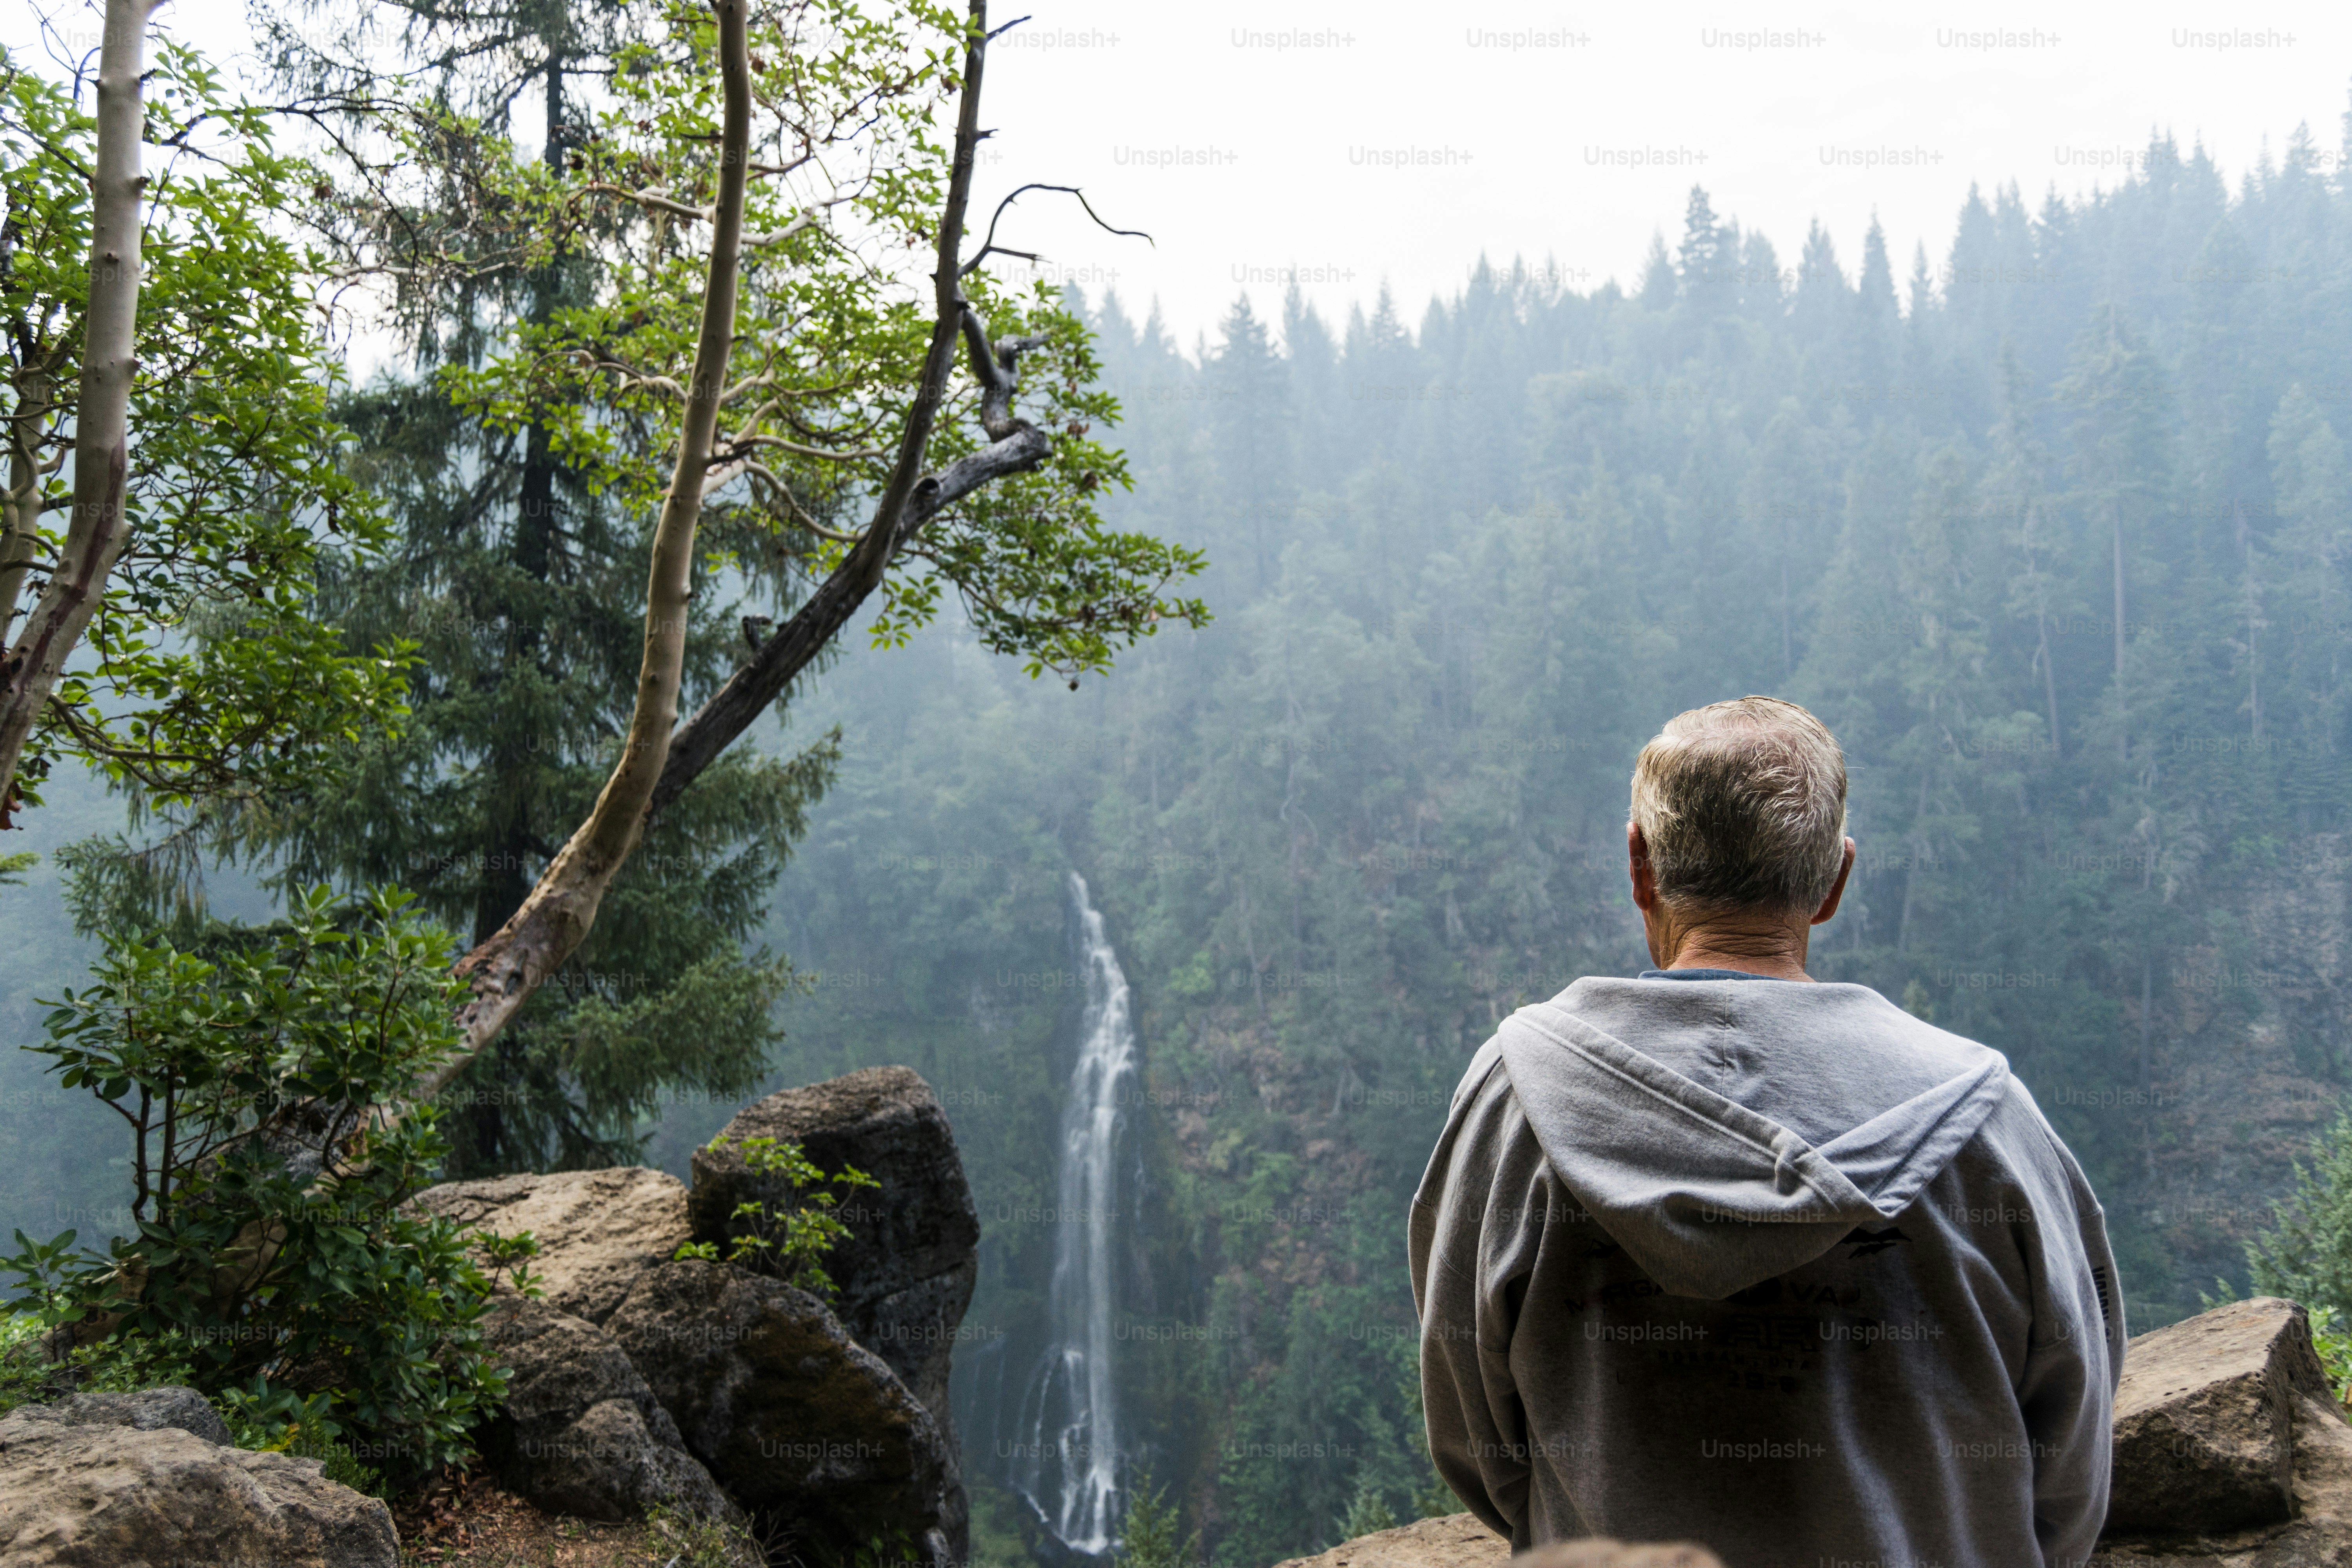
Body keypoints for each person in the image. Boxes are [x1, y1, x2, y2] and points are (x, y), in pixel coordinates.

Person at [1410, 696, 2123, 1568]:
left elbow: (1476, 1436)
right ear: (1834, 881)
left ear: (1639, 865)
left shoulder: (1514, 1103)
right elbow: (2073, 1464)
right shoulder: (1989, 1123)